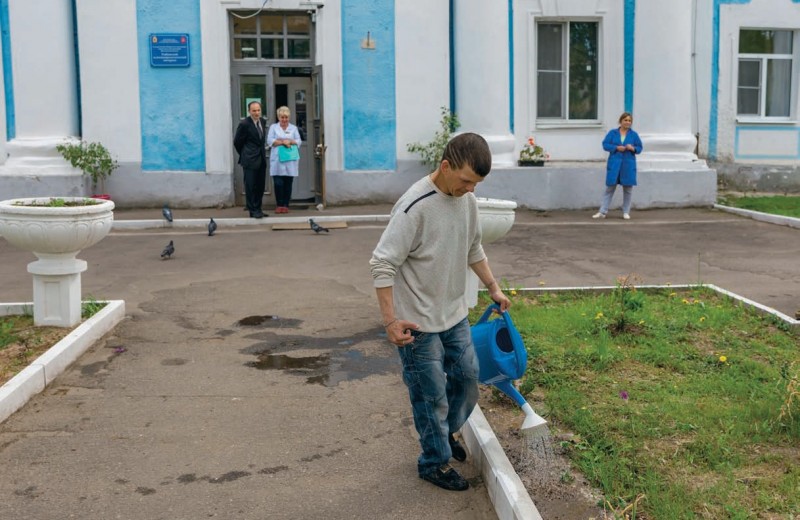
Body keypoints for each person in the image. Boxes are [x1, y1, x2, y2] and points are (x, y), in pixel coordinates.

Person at [369, 132, 511, 492]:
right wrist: (389, 320)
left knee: (467, 380)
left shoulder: (467, 202)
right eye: (466, 181)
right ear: (445, 166)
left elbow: (473, 247)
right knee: (430, 397)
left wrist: (493, 287)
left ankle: (443, 436)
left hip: (454, 314)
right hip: (417, 324)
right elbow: (382, 264)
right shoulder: (414, 206)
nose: (471, 190)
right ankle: (433, 461)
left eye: (476, 184)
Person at [593, 112, 643, 220]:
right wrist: (616, 148)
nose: (627, 122)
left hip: (628, 164)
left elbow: (639, 148)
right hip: (615, 164)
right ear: (621, 121)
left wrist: (632, 148)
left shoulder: (634, 135)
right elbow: (605, 144)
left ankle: (626, 212)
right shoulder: (612, 133)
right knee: (610, 188)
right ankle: (602, 211)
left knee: (628, 189)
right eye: (625, 120)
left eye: (629, 121)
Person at [233, 101, 268, 218]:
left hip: (261, 159)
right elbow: (237, 142)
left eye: (258, 110)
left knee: (260, 185)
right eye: (254, 111)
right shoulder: (244, 124)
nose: (256, 113)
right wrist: (245, 153)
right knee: (250, 185)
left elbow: (261, 140)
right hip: (249, 159)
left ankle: (258, 208)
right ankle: (252, 210)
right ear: (249, 111)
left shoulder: (262, 122)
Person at [267, 106, 302, 214]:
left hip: (290, 160)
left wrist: (290, 141)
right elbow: (270, 141)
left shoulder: (293, 128)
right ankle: (279, 204)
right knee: (278, 183)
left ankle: (286, 205)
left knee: (288, 183)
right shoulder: (273, 127)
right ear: (278, 117)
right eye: (282, 117)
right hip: (277, 160)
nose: (284, 120)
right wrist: (283, 142)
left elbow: (298, 141)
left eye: (286, 117)